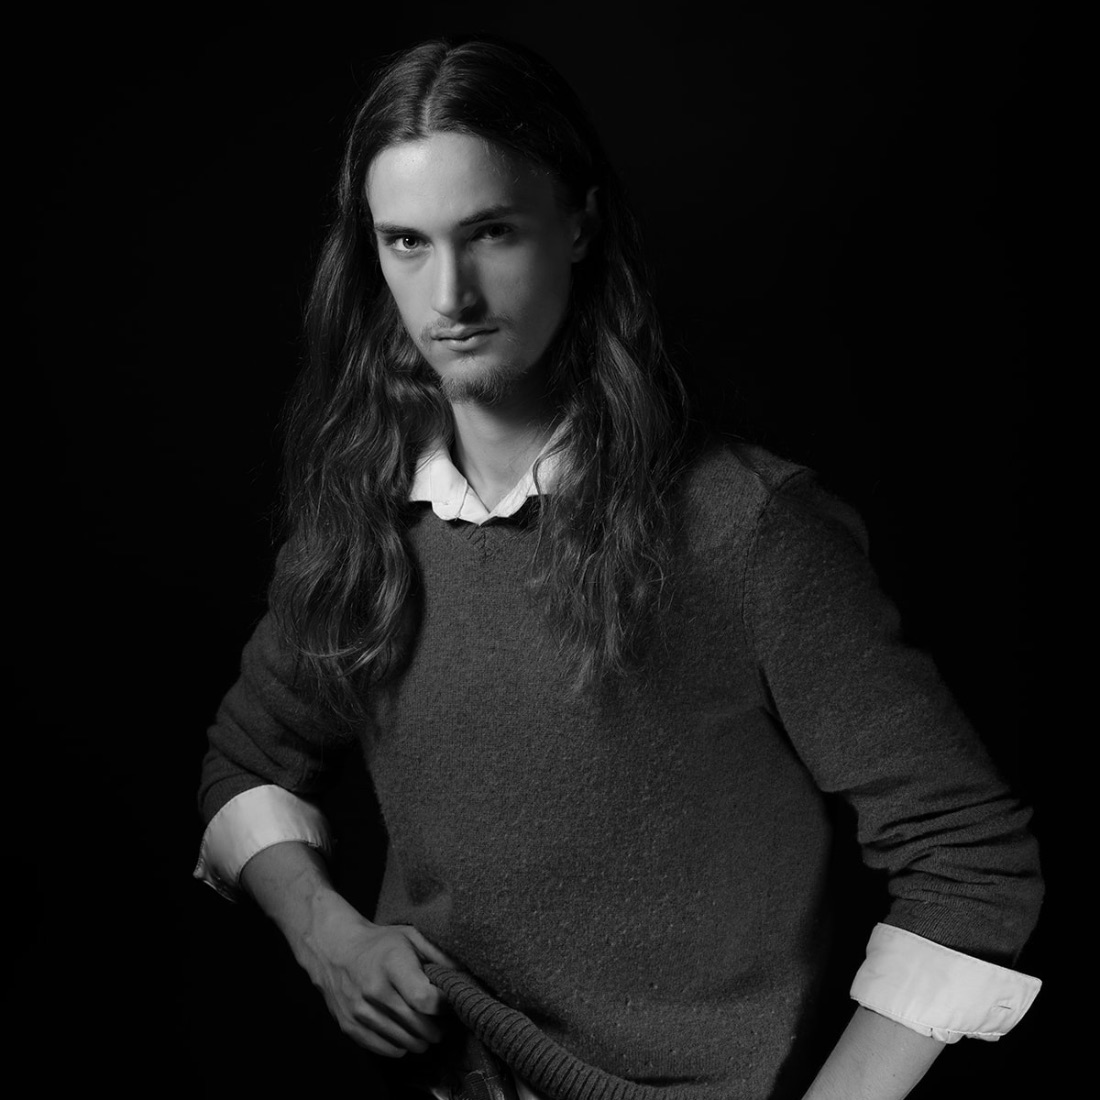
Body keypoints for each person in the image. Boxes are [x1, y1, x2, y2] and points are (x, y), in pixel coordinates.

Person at [194, 35, 1043, 1100]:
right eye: (405, 242)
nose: (448, 291)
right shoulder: (363, 515)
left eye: (490, 232)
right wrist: (325, 930)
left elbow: (970, 859)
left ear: (578, 222)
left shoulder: (745, 527)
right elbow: (245, 762)